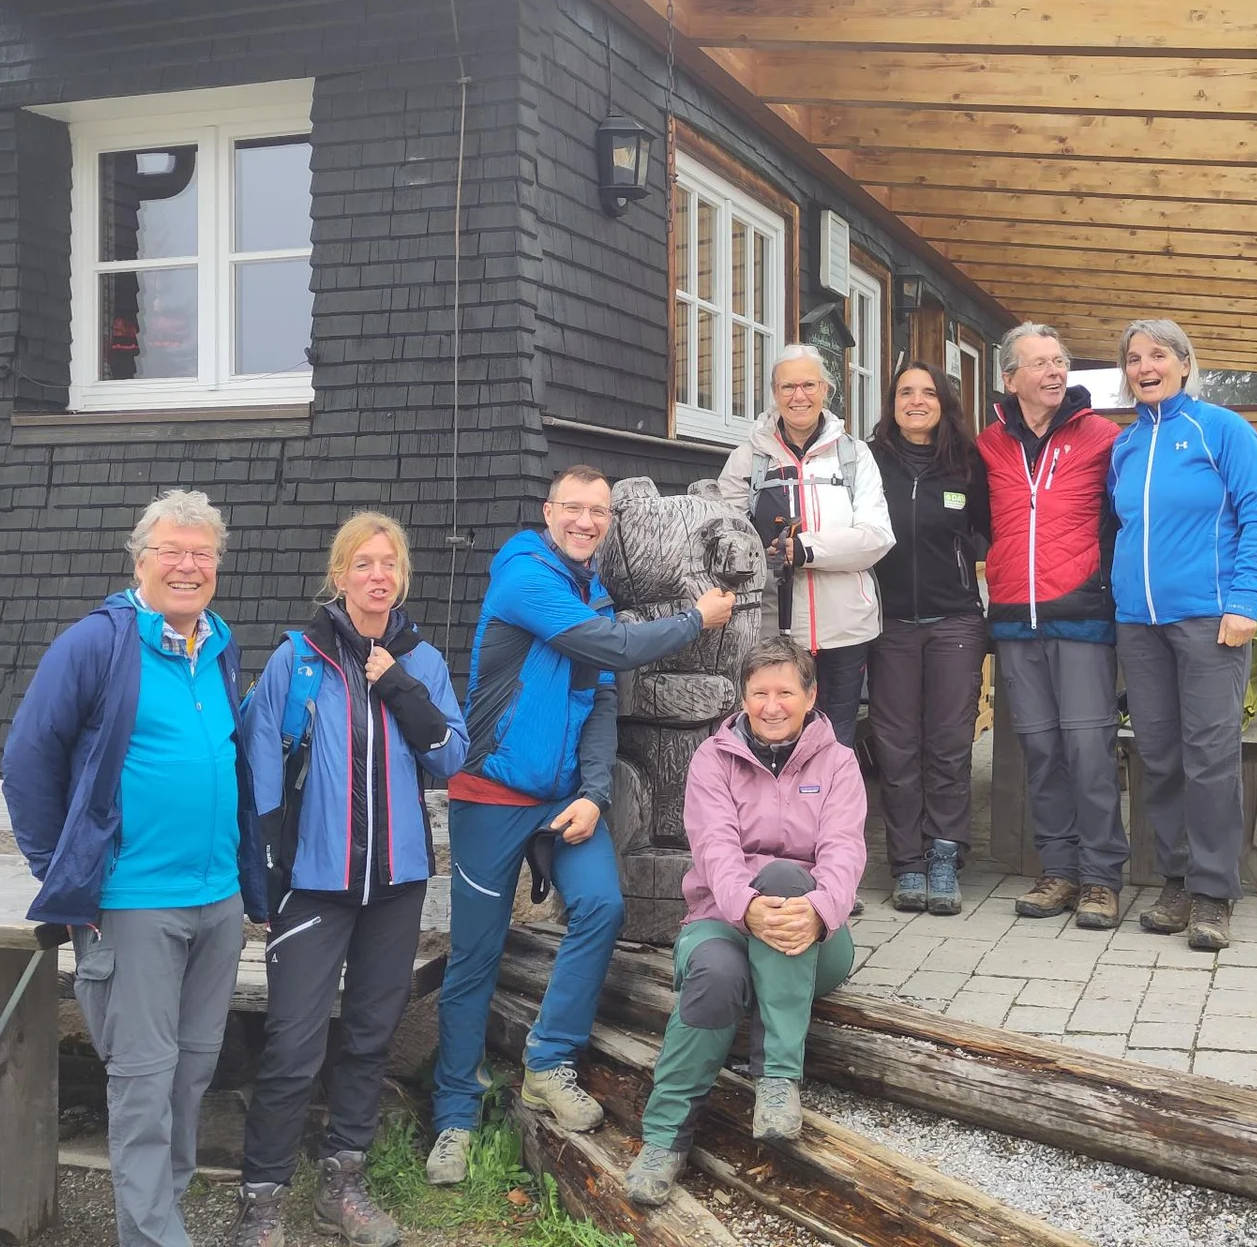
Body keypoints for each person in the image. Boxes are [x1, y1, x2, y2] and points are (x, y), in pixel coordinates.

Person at [428, 466, 736, 1184]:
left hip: (564, 798)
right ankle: (454, 1116)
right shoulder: (524, 578)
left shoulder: (592, 593)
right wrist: (696, 620)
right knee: (476, 954)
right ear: (549, 512)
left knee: (601, 906)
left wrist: (596, 793)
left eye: (599, 512)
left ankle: (548, 1061)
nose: (586, 521)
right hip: (492, 793)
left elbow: (599, 701)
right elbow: (612, 649)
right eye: (574, 508)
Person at [2, 490, 266, 1247]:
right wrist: (62, 871)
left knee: (190, 1075)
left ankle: (160, 1220)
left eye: (202, 553)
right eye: (172, 552)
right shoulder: (97, 644)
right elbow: (27, 759)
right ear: (140, 560)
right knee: (144, 1083)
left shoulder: (219, 644)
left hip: (216, 900)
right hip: (132, 901)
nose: (188, 566)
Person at [232, 513, 468, 1247]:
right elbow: (258, 772)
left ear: (402, 577)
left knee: (369, 1039)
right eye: (362, 563)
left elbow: (451, 757)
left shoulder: (421, 660)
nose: (377, 576)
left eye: (388, 564)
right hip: (313, 885)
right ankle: (262, 1200)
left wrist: (397, 686)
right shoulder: (297, 660)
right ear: (339, 576)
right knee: (293, 1047)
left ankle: (342, 1187)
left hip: (394, 885)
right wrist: (262, 881)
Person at [624, 636, 866, 1207]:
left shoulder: (839, 762)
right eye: (760, 693)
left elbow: (844, 851)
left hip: (814, 934)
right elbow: (714, 848)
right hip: (723, 918)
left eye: (785, 692)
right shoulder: (713, 759)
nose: (772, 706)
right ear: (743, 697)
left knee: (784, 875)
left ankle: (777, 1079)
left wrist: (820, 911)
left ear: (811, 696)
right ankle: (663, 1141)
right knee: (715, 973)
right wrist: (746, 907)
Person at [1108, 320, 1257, 953]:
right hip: (1138, 623)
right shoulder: (1125, 445)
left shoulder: (1223, 430)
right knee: (1158, 755)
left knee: (1209, 756)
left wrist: (1244, 602)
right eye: (1133, 359)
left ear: (1184, 364)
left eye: (1157, 356)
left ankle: (1213, 893)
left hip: (1211, 621)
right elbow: (1121, 526)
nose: (1144, 367)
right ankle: (1176, 881)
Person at [977, 324, 1128, 931]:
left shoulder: (1103, 438)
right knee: (1041, 753)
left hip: (1083, 616)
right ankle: (1059, 870)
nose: (1055, 371)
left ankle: (1100, 878)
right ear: (1010, 378)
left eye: (1059, 361)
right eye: (1039, 363)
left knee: (1089, 752)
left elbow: (1127, 519)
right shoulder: (989, 444)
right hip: (1017, 620)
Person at [717, 343, 893, 746]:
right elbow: (725, 535)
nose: (799, 396)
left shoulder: (854, 456)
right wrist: (759, 554)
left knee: (836, 737)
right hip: (772, 627)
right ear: (774, 393)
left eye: (809, 385)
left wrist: (807, 550)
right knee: (774, 736)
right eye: (788, 387)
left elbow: (877, 536)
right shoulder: (748, 458)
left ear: (825, 389)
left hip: (845, 630)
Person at [866, 363, 990, 915]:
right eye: (905, 392)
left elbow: (991, 532)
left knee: (948, 743)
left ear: (944, 403)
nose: (916, 401)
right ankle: (907, 863)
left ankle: (944, 855)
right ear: (892, 402)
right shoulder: (868, 460)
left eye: (928, 393)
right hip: (888, 623)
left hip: (955, 622)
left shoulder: (967, 463)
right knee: (896, 748)